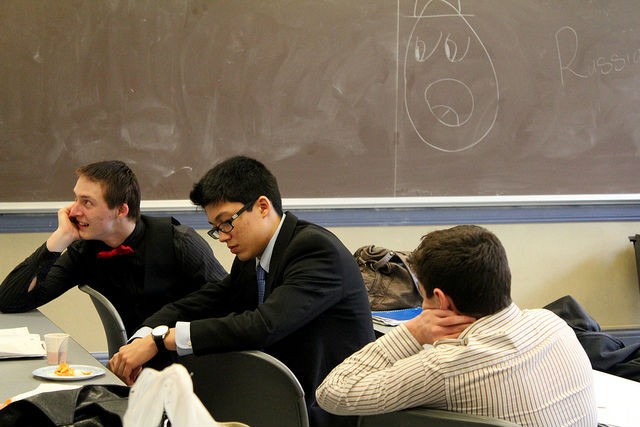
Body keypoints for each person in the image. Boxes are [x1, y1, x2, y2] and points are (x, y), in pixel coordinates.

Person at [108, 156, 375, 427]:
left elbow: (263, 325)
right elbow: (210, 299)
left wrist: (163, 339)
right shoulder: (254, 256)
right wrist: (146, 333)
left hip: (328, 411)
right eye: (216, 229)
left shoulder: (315, 250)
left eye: (226, 222)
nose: (223, 236)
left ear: (262, 206)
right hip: (279, 398)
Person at [316, 225, 598, 427]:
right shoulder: (554, 325)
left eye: (423, 295)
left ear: (441, 300)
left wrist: (411, 332)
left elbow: (332, 393)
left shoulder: (446, 367)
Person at [0, 160, 227, 336]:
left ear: (121, 211)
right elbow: (9, 301)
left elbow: (229, 301)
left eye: (87, 202)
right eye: (76, 199)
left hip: (191, 364)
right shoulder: (85, 250)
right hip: (131, 368)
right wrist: (59, 239)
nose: (73, 211)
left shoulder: (179, 242)